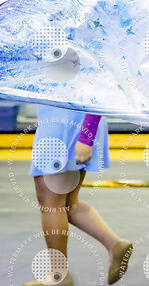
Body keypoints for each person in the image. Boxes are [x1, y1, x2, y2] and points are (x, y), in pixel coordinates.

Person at [24, 106, 132, 286]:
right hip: (74, 121)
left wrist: (86, 137)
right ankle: (115, 245)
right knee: (68, 203)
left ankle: (59, 276)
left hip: (66, 124)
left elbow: (96, 93)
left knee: (51, 204)